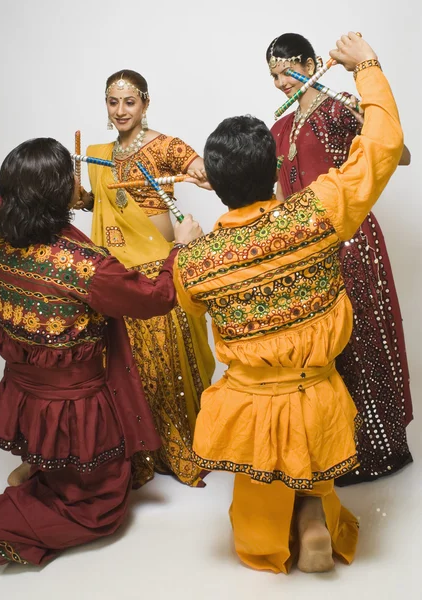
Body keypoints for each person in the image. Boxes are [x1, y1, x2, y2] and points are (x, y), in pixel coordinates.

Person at [174, 34, 404, 573]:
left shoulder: (200, 259)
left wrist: (189, 246)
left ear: (220, 186)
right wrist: (366, 65)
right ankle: (316, 514)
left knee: (253, 522)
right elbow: (383, 146)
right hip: (318, 400)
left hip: (248, 413)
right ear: (275, 170)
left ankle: (275, 532)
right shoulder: (317, 214)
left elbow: (188, 306)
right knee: (312, 465)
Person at [0, 137, 203, 594]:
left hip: (26, 390)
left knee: (89, 481)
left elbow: (0, 200)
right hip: (74, 407)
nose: (78, 183)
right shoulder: (82, 266)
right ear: (56, 195)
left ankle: (38, 475)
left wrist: (49, 185)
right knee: (102, 507)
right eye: (68, 180)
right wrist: (181, 250)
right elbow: (154, 297)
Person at [267, 33, 412, 486]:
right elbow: (278, 195)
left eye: (287, 70)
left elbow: (399, 154)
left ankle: (377, 449)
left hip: (349, 241)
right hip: (306, 250)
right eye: (272, 75)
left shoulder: (337, 105)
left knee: (361, 335)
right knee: (321, 348)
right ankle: (333, 449)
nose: (279, 82)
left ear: (312, 64)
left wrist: (354, 101)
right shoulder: (278, 128)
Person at [75, 69, 215, 489]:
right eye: (113, 102)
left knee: (167, 361)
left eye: (129, 102)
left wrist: (201, 173)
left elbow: (203, 170)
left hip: (159, 270)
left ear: (146, 104)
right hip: (116, 274)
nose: (120, 111)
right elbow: (97, 204)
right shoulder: (100, 154)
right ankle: (138, 448)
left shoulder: (164, 146)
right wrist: (78, 197)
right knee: (127, 362)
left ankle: (178, 443)